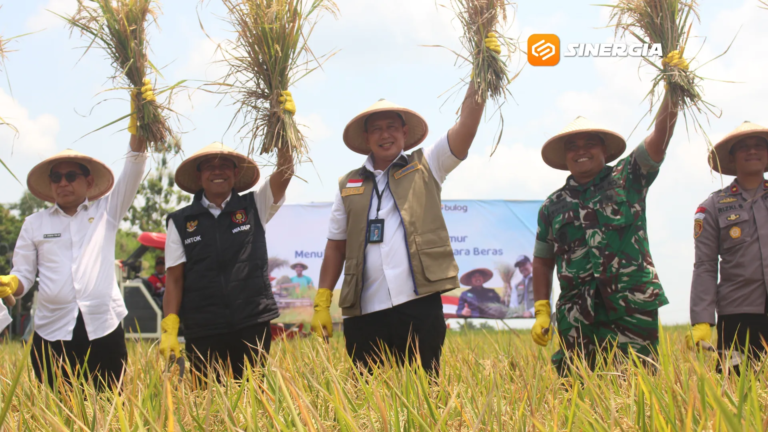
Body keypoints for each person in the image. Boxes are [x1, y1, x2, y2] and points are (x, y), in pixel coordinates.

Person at [310, 34, 501, 375]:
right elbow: (335, 248)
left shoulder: (428, 164)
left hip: (418, 305)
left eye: (392, 127)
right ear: (366, 139)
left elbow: (466, 127)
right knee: (368, 401)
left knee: (425, 391)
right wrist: (323, 299)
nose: (385, 134)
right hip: (364, 311)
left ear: (404, 132)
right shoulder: (348, 185)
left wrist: (482, 69)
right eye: (377, 129)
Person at [0, 85, 152, 388]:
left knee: (109, 408)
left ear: (89, 181)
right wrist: (11, 283)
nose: (63, 182)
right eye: (56, 177)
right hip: (52, 330)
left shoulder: (107, 211)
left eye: (71, 176)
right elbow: (24, 275)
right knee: (60, 410)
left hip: (103, 327)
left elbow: (134, 164)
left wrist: (141, 118)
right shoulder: (34, 223)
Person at [530, 92, 678, 376]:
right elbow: (542, 260)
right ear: (565, 155)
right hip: (577, 317)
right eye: (572, 146)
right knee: (579, 395)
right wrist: (541, 310)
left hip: (631, 307)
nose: (580, 150)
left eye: (589, 144)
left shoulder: (629, 178)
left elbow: (660, 137)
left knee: (639, 391)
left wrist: (673, 89)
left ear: (605, 150)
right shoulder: (552, 206)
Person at [160, 141, 293, 381]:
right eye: (209, 166)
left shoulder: (255, 206)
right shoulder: (180, 222)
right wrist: (169, 326)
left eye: (225, 165)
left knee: (254, 397)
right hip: (203, 326)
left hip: (251, 321)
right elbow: (175, 278)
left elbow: (285, 172)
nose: (217, 171)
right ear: (199, 176)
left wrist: (281, 130)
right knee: (208, 401)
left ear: (235, 173)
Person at [688, 121, 768, 371]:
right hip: (738, 316)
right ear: (732, 158)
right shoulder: (712, 206)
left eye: (758, 146)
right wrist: (702, 320)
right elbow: (705, 265)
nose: (752, 151)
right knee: (739, 394)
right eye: (743, 147)